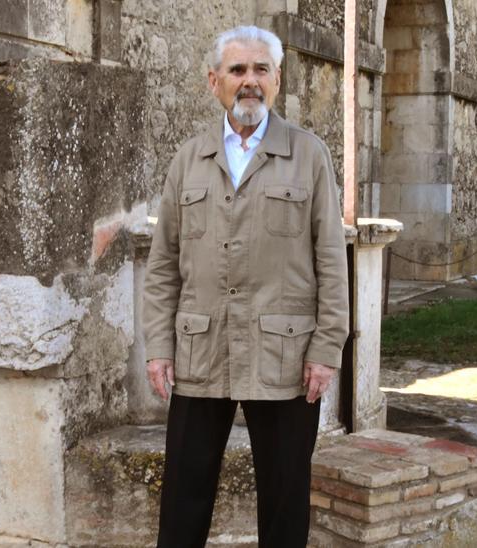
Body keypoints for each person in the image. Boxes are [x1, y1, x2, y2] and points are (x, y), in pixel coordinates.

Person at [141, 25, 350, 548]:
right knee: (183, 499)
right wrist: (158, 347)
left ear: (278, 80)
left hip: (284, 357)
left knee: (284, 502)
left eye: (261, 70)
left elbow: (331, 260)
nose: (249, 81)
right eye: (237, 70)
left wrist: (326, 350)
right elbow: (164, 262)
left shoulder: (309, 156)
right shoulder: (188, 160)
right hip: (200, 352)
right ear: (214, 82)